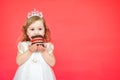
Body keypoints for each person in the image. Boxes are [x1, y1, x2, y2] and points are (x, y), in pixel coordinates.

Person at [14, 9, 56, 80]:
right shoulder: (24, 45)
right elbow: (18, 61)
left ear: (44, 31)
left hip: (43, 76)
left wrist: (44, 51)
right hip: (26, 76)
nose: (36, 32)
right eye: (32, 29)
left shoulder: (47, 46)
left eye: (40, 29)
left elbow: (52, 63)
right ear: (27, 32)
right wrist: (29, 51)